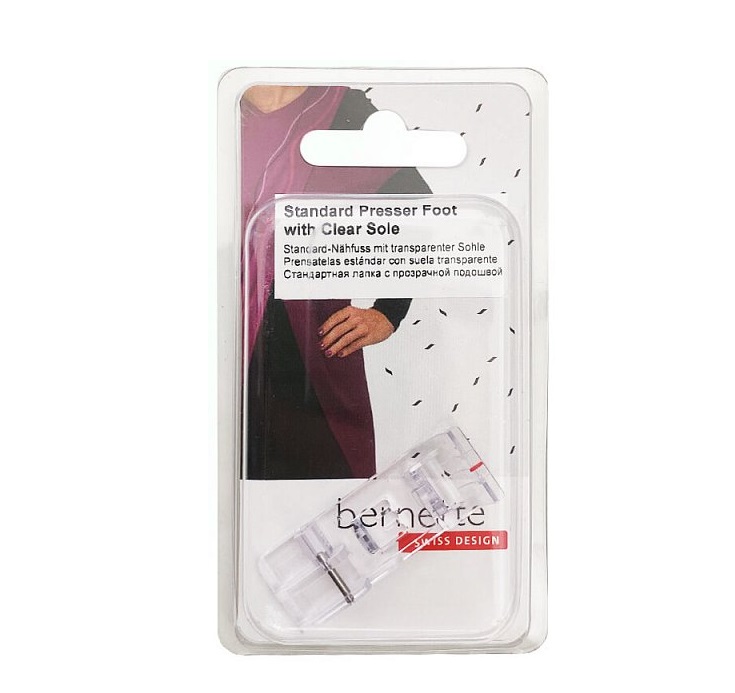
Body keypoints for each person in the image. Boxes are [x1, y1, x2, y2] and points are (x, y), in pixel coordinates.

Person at [242, 85, 430, 480]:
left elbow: (420, 213)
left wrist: (389, 311)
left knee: (329, 499)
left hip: (308, 354)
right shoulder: (213, 111)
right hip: (218, 350)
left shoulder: (341, 110)